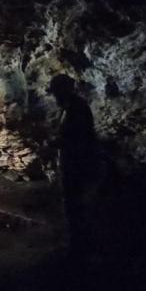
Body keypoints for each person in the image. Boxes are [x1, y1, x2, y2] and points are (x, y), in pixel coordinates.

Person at [47, 74, 99, 255]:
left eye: (57, 93)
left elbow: (80, 138)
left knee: (75, 202)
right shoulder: (71, 107)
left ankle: (79, 246)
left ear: (65, 91)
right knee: (72, 202)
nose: (55, 97)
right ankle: (76, 242)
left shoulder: (77, 109)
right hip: (72, 161)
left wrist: (57, 143)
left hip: (77, 162)